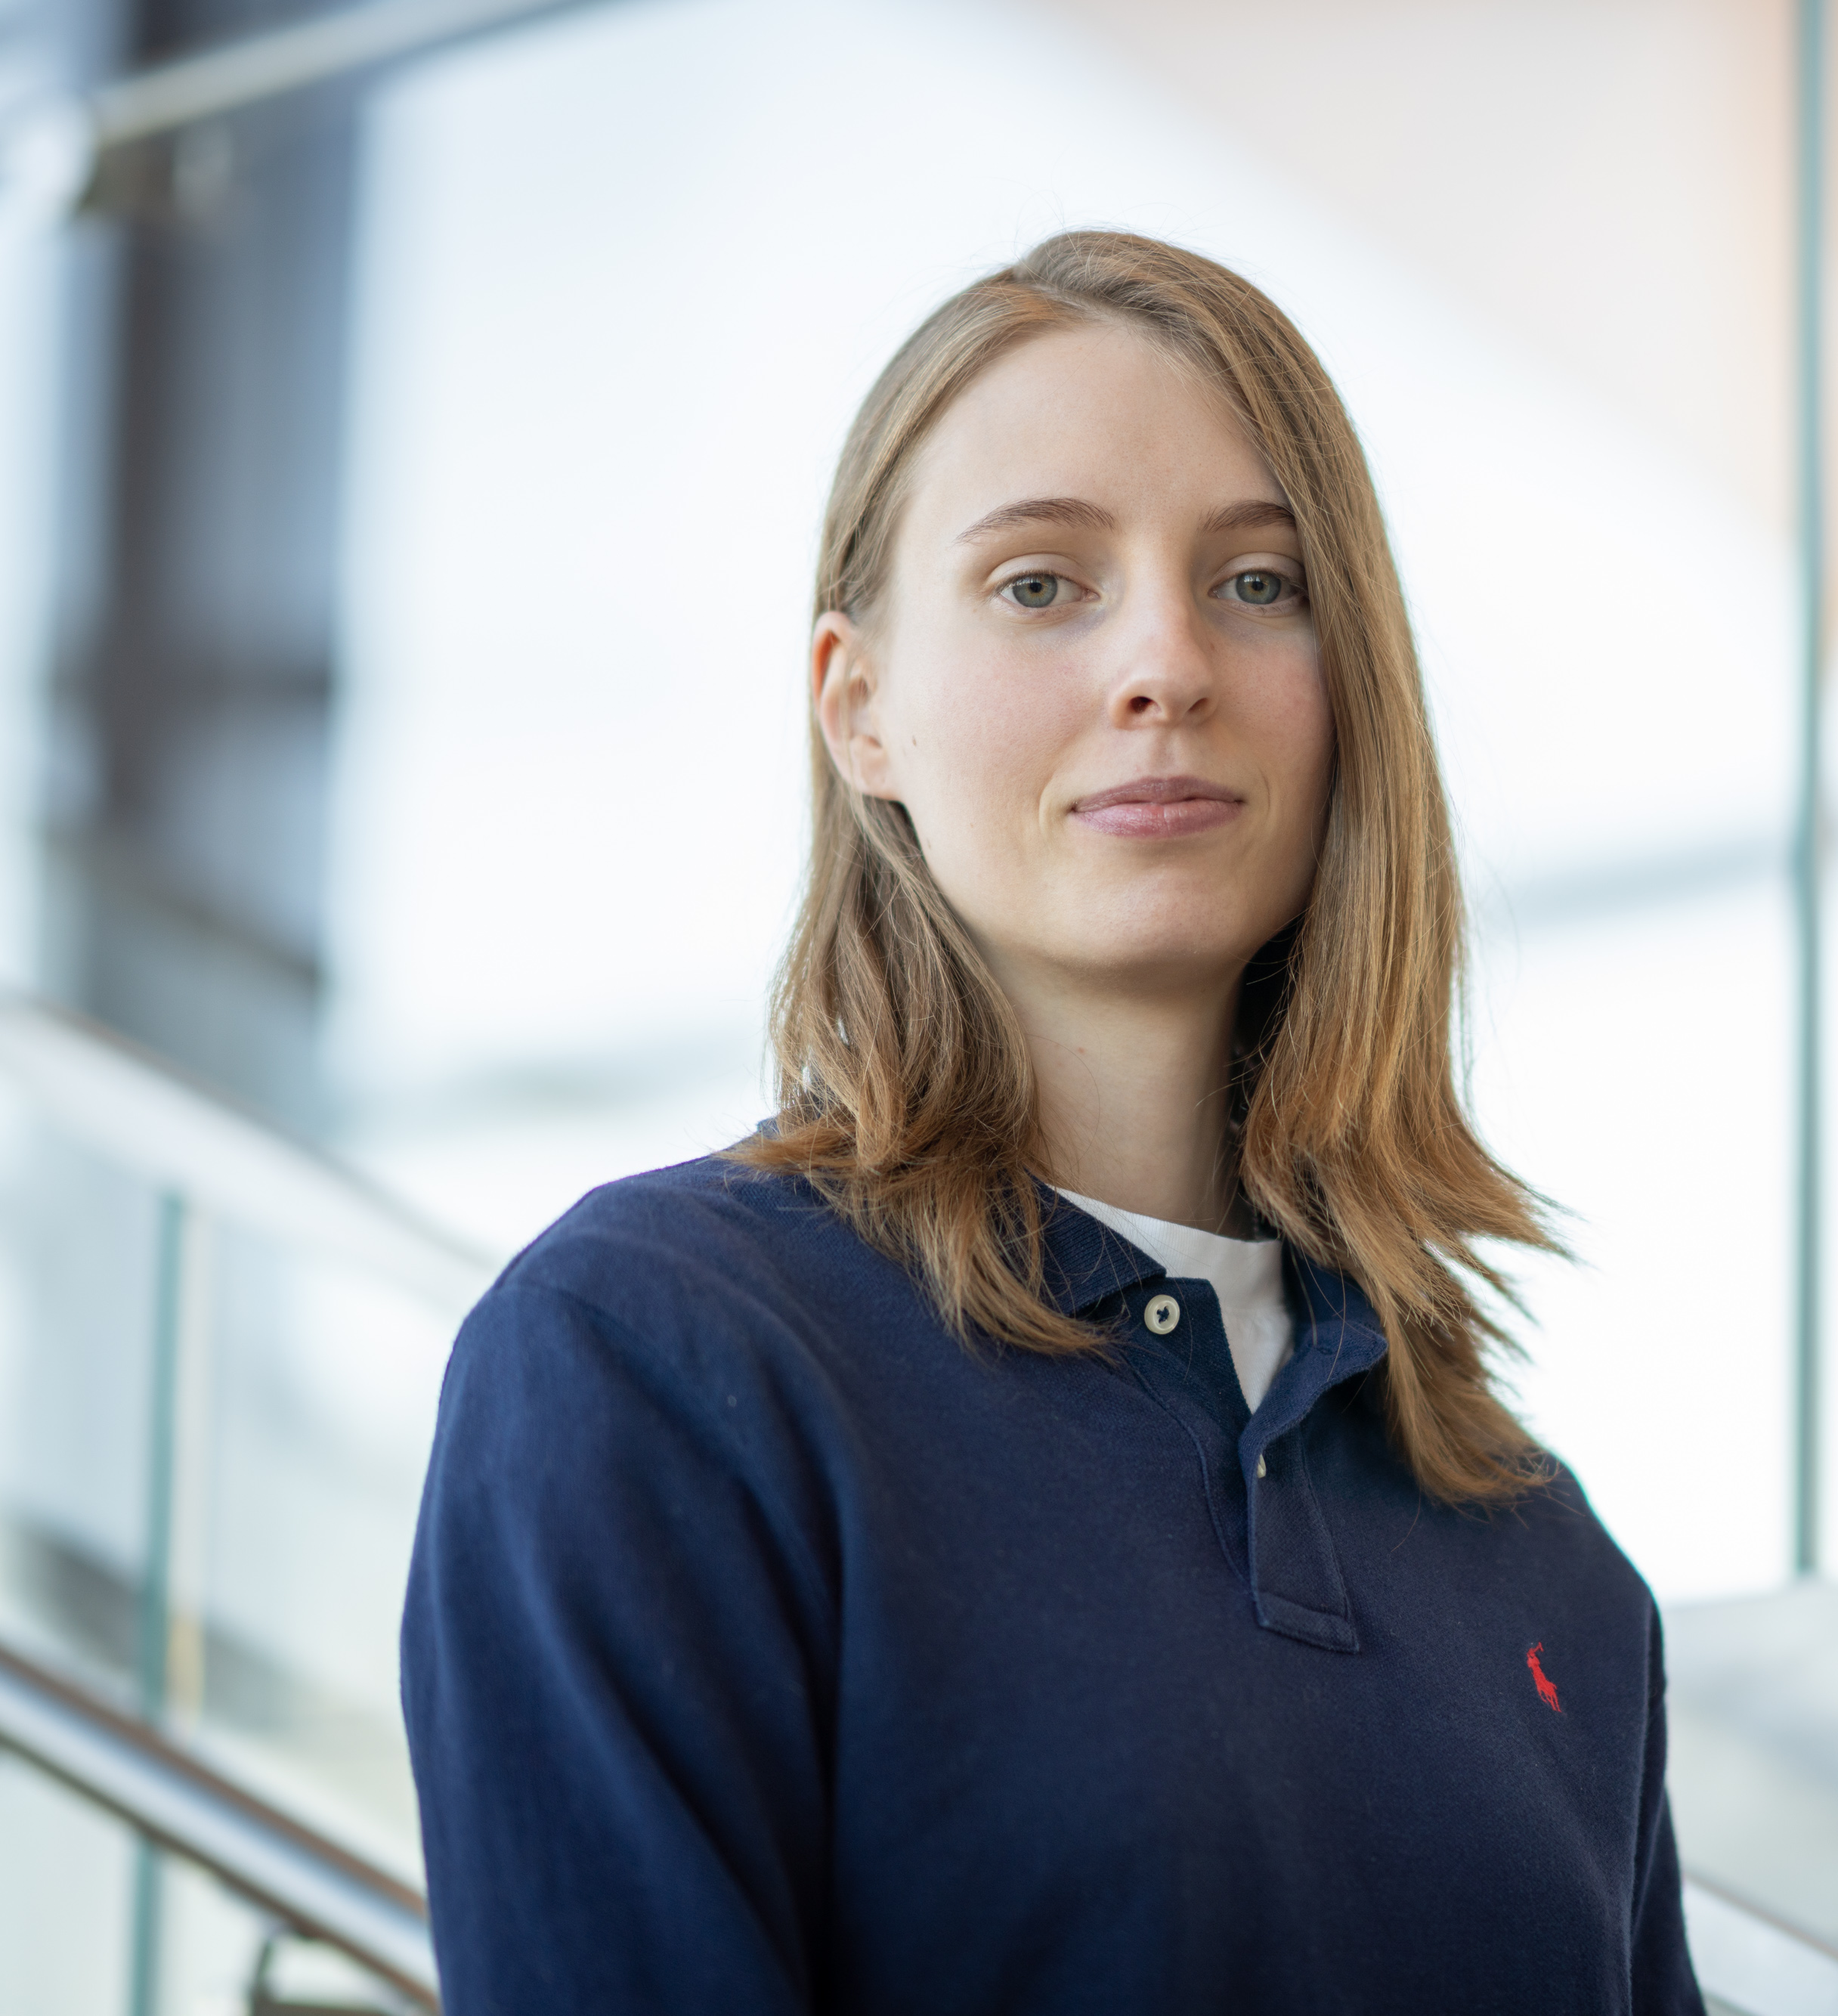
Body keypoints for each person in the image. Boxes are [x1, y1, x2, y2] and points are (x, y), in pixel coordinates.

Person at [399, 231, 1703, 2014]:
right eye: (1039, 584)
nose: (1165, 660)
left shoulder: (1540, 1553)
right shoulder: (658, 1357)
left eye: (1257, 582)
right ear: (858, 709)